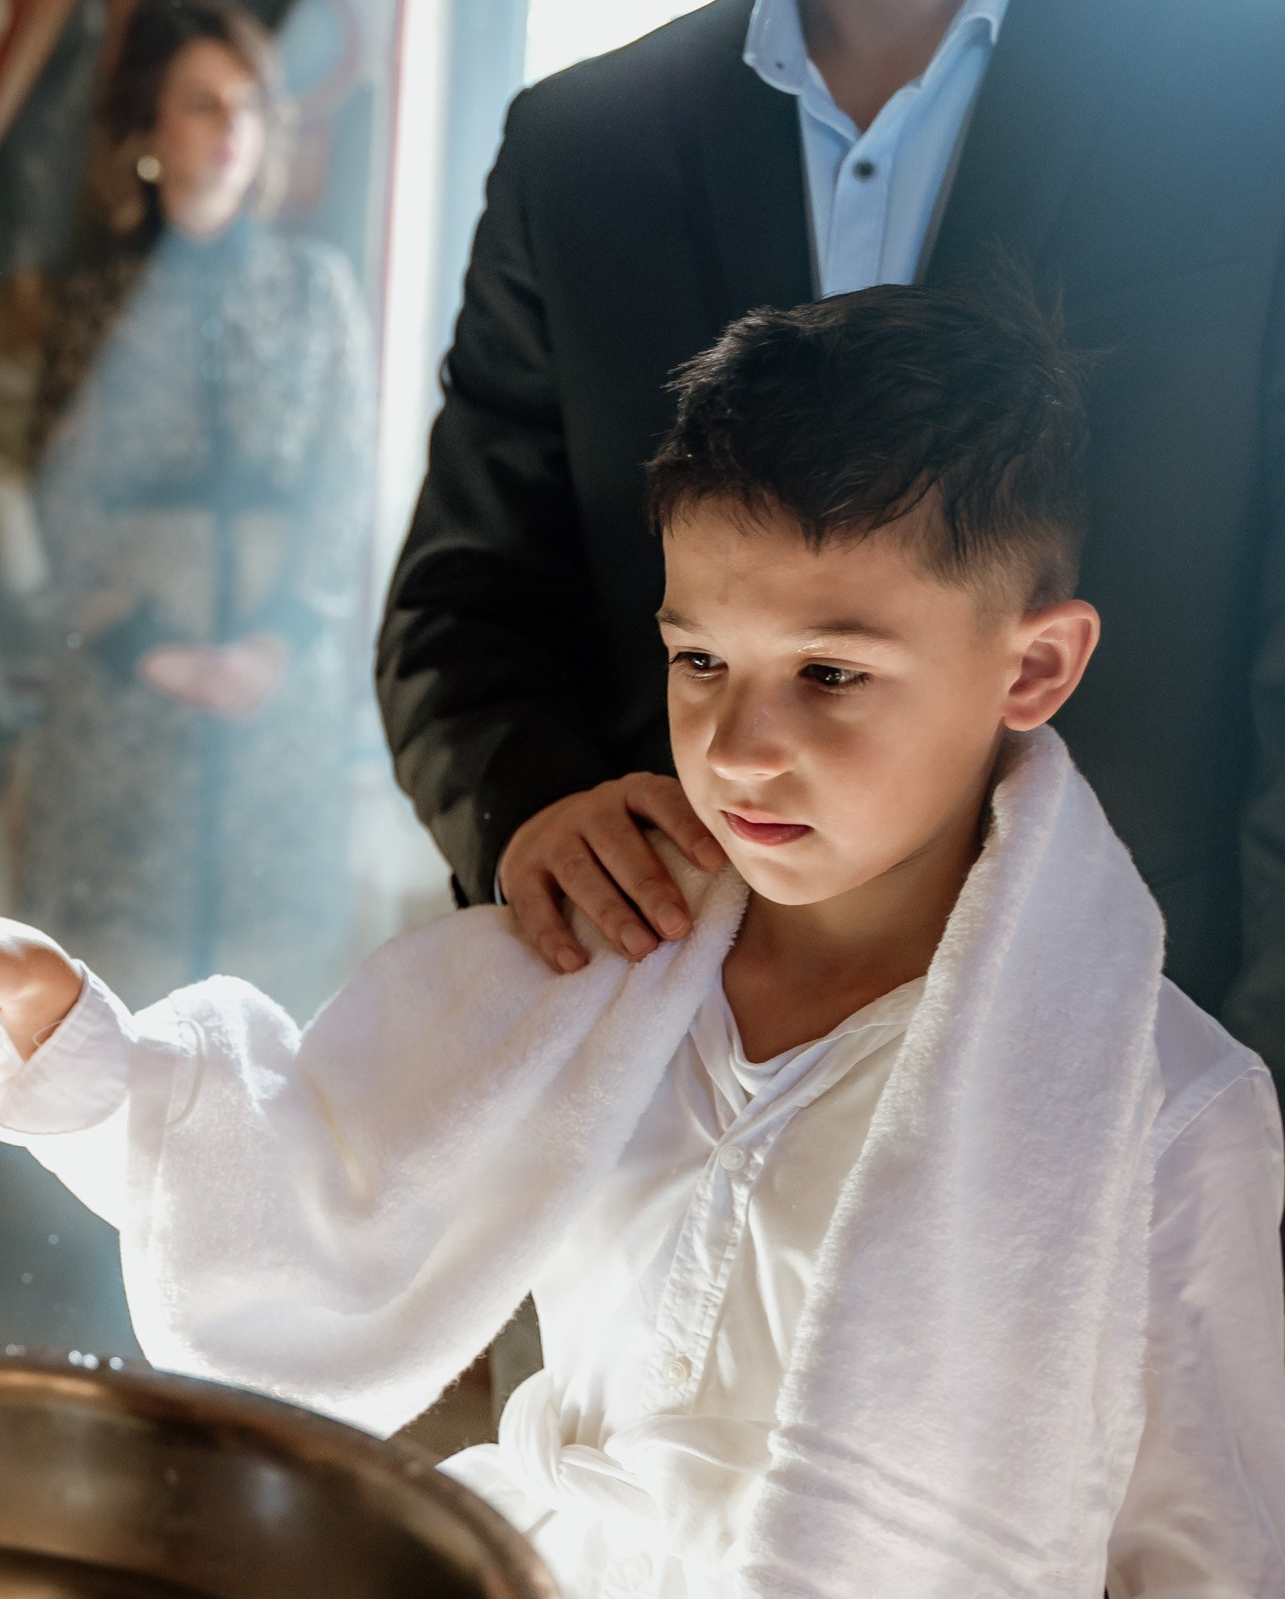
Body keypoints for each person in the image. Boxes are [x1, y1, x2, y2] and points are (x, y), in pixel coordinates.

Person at [0, 289, 1285, 1599]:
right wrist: (38, 1000)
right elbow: (303, 1178)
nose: (738, 747)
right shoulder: (613, 954)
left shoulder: (1168, 1113)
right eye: (697, 661)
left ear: (1033, 667)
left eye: (831, 672)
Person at [375, 0, 1285, 1077]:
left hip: (1137, 1029)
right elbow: (467, 593)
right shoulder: (577, 142)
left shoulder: (1245, 85)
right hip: (668, 1038)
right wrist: (524, 809)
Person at [16, 0, 375, 1020]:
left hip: (279, 693)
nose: (227, 128)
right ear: (150, 129)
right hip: (126, 692)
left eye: (247, 105)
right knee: (118, 1000)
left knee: (273, 1003)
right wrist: (145, 646)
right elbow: (63, 497)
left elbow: (343, 490)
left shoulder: (315, 292)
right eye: (200, 103)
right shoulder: (93, 301)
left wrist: (272, 644)